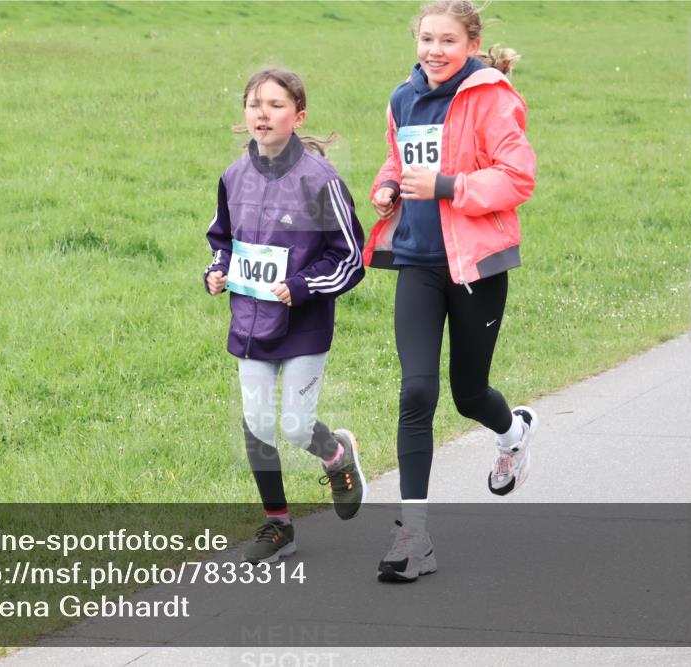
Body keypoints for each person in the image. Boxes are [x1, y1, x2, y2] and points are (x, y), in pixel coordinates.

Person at [365, 0, 538, 582]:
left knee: (467, 394)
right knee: (416, 393)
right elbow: (396, 160)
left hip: (476, 266)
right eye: (426, 39)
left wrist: (446, 185)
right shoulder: (402, 97)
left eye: (447, 41)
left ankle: (514, 433)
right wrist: (388, 186)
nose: (434, 51)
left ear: (470, 43)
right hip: (417, 261)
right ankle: (414, 536)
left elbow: (518, 177)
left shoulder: (491, 97)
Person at [204, 68, 366, 564]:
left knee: (296, 427)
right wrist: (217, 271)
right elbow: (222, 239)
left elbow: (350, 257)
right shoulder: (234, 176)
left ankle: (337, 456)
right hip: (249, 322)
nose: (262, 113)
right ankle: (279, 526)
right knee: (256, 423)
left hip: (303, 324)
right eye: (254, 104)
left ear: (299, 115)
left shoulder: (320, 180)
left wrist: (300, 286)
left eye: (275, 105)